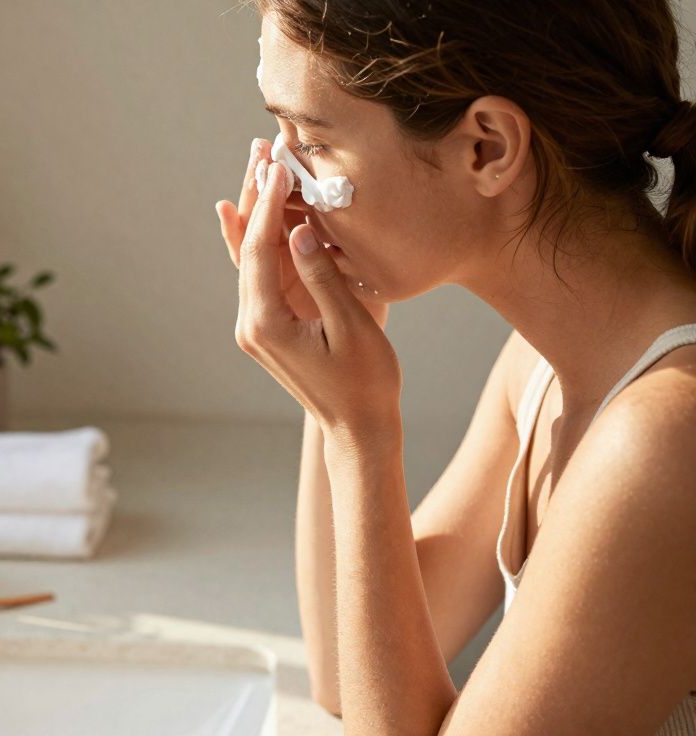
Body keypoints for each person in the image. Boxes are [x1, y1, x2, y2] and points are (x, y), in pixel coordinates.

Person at [214, 1, 696, 733]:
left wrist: (361, 436)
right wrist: (329, 376)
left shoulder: (664, 440)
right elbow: (347, 676)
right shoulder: (543, 367)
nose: (283, 180)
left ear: (488, 148)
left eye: (310, 138)